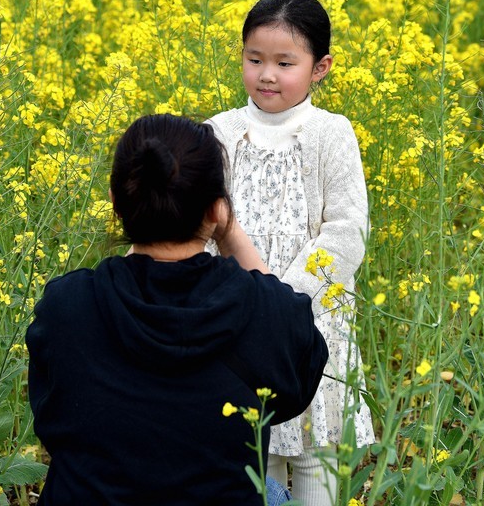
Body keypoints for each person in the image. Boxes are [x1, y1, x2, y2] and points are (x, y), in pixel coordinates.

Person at [26, 113, 328, 505]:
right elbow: (297, 376)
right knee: (271, 493)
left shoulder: (66, 307)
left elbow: (52, 419)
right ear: (216, 209)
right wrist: (229, 227)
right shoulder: (262, 312)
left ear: (116, 204)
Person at [208, 0, 376, 506]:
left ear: (320, 67)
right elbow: (205, 225)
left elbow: (346, 231)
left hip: (312, 321)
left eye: (285, 63)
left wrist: (287, 300)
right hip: (238, 322)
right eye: (254, 59)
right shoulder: (219, 131)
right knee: (256, 462)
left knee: (312, 458)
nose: (266, 75)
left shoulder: (332, 133)